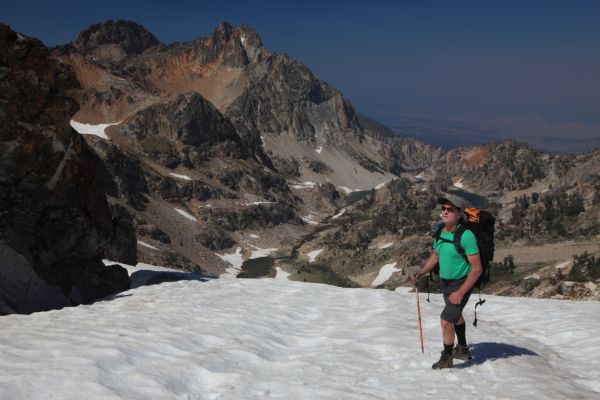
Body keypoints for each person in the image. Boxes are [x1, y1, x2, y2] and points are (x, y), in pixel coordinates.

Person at [411, 194, 482, 369]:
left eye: (450, 209)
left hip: (460, 284)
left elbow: (477, 269)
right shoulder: (440, 231)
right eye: (443, 208)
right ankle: (463, 349)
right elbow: (436, 256)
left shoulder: (466, 236)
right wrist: (422, 272)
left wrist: (461, 292)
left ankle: (447, 357)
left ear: (459, 214)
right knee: (455, 317)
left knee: (445, 321)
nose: (445, 211)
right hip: (445, 283)